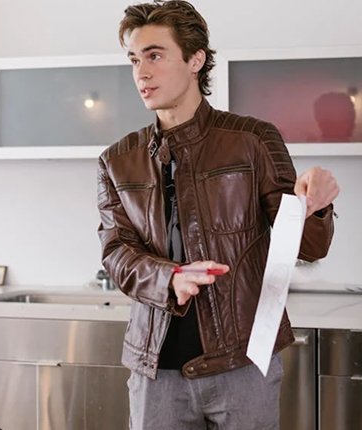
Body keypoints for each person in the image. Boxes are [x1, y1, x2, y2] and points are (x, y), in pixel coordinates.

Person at [96, 1, 339, 428]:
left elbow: (306, 247)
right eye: (134, 59)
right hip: (156, 371)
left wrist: (316, 206)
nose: (141, 73)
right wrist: (170, 278)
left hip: (243, 363)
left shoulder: (253, 140)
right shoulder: (116, 160)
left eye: (154, 55)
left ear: (195, 60)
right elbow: (116, 253)